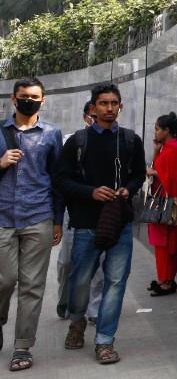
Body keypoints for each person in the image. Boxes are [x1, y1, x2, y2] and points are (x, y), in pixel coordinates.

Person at [55, 83, 145, 366]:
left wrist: (128, 189)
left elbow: (139, 175)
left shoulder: (131, 140)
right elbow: (61, 180)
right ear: (93, 108)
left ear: (121, 106)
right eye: (103, 103)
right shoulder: (77, 142)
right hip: (85, 224)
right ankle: (77, 320)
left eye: (114, 103)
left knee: (115, 282)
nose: (109, 108)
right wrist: (90, 192)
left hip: (119, 224)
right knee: (80, 281)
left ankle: (105, 340)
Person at [0, 77, 64, 372]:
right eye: (24, 96)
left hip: (38, 216)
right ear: (13, 99)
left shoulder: (51, 134)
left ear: (43, 100)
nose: (29, 101)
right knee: (5, 280)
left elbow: (58, 179)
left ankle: (22, 346)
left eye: (35, 97)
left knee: (32, 285)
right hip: (2, 217)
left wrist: (58, 220)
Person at [55, 102, 103, 323]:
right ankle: (65, 298)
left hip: (101, 212)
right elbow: (59, 179)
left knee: (99, 262)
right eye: (93, 115)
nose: (97, 119)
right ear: (86, 117)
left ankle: (94, 309)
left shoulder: (116, 141)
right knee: (67, 261)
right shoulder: (71, 141)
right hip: (72, 211)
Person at [146, 112, 177, 296]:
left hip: (167, 203)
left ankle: (167, 281)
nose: (155, 132)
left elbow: (172, 178)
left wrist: (154, 173)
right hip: (162, 202)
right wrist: (156, 152)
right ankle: (164, 279)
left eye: (157, 129)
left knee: (165, 243)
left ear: (167, 130)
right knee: (161, 243)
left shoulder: (174, 150)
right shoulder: (167, 148)